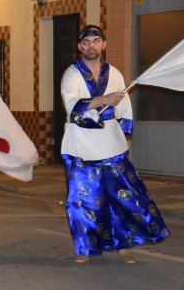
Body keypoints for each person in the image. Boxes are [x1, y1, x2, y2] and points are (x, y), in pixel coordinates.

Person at [60, 25, 170, 264]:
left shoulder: (115, 74)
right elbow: (72, 106)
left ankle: (124, 246)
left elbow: (124, 109)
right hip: (80, 146)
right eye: (86, 42)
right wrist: (105, 100)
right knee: (84, 200)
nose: (91, 46)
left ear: (104, 44)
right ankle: (85, 248)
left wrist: (122, 135)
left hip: (111, 145)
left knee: (122, 198)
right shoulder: (71, 74)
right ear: (80, 47)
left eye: (96, 41)